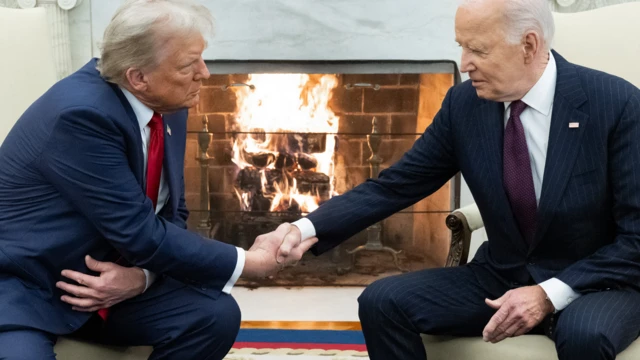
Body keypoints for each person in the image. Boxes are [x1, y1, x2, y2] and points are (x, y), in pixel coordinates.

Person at [266, 0, 640, 359]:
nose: (465, 64)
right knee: (382, 302)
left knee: (585, 335)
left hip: (596, 282)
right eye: (461, 47)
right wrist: (305, 228)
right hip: (503, 274)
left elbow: (636, 237)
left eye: (478, 50)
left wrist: (546, 294)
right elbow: (396, 184)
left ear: (529, 45)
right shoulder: (464, 106)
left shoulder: (616, 104)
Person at [0, 0, 313, 359]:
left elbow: (170, 211)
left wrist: (141, 278)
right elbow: (139, 231)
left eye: (201, 57)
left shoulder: (165, 104)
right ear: (138, 77)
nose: (205, 73)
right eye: (187, 65)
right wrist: (246, 262)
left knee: (213, 315)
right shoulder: (81, 117)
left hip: (110, 283)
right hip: (28, 288)